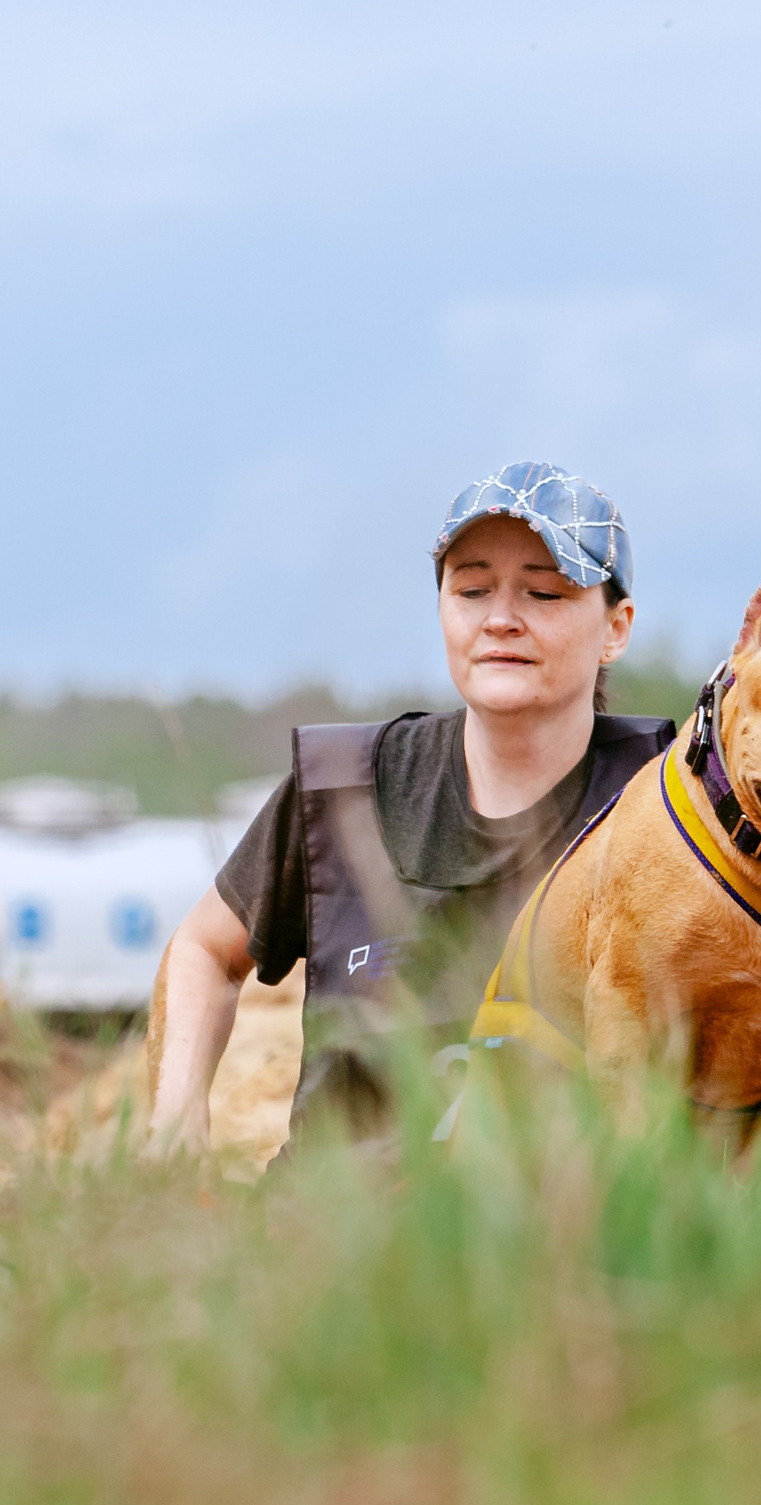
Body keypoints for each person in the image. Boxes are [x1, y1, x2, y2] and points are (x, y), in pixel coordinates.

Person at [147, 461, 676, 1151]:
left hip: (576, 1238)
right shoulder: (345, 792)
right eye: (472, 588)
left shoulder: (663, 806)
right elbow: (203, 950)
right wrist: (175, 1127)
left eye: (543, 593)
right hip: (329, 1228)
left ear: (617, 627)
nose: (501, 619)